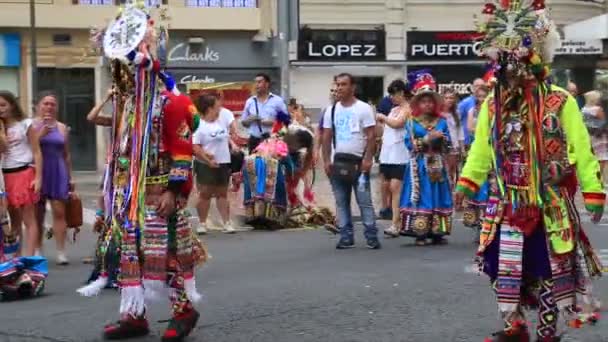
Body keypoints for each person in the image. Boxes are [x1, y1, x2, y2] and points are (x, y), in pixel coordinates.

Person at [455, 2, 604, 340]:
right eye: (505, 66)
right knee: (502, 267)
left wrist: (594, 192)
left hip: (548, 200)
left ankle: (548, 331)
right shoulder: (493, 104)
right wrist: (467, 183)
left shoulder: (560, 101)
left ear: (535, 62)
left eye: (518, 65)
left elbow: (582, 149)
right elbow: (481, 149)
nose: (511, 73)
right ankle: (515, 325)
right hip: (505, 200)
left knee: (550, 268)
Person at [76, 6, 205, 341]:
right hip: (127, 194)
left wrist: (174, 191)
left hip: (160, 191)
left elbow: (182, 152)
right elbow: (121, 151)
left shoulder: (171, 103)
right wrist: (110, 194)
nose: (123, 76)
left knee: (167, 254)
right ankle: (133, 314)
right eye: (119, 69)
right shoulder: (128, 105)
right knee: (129, 252)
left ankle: (184, 310)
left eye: (127, 67)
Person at [321, 73, 380, 250]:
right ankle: (346, 236)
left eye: (343, 84)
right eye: (337, 84)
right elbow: (326, 136)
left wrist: (368, 159)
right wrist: (325, 160)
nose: (339, 88)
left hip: (359, 162)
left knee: (364, 200)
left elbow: (371, 136)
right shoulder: (331, 110)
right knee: (341, 201)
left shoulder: (363, 109)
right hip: (337, 161)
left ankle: (371, 234)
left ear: (352, 87)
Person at [399, 71, 453, 246]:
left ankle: (437, 231)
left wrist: (441, 140)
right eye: (423, 101)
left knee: (438, 194)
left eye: (430, 101)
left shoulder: (442, 122)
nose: (427, 104)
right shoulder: (412, 122)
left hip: (437, 164)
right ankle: (420, 231)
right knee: (421, 194)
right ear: (418, 103)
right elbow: (409, 144)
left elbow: (448, 145)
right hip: (419, 165)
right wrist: (427, 140)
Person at [32, 91, 73, 266]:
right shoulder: (31, 125)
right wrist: (41, 133)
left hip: (58, 170)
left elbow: (66, 154)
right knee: (37, 214)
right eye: (45, 103)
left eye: (52, 104)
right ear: (38, 106)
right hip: (38, 172)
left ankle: (61, 251)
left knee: (59, 212)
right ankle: (38, 249)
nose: (49, 107)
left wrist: (71, 178)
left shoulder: (62, 127)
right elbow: (30, 148)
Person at [0, 91, 42, 258]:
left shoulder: (26, 123)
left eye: (3, 105)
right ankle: (17, 257)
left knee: (29, 220)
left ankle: (30, 258)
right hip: (5, 176)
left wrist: (38, 177)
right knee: (13, 220)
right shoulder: (0, 127)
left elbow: (37, 151)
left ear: (12, 105)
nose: (1, 109)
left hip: (24, 173)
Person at [193, 94, 237, 235]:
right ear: (209, 108)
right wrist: (207, 159)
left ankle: (226, 222)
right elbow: (195, 147)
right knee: (205, 194)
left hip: (223, 162)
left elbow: (228, 137)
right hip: (206, 164)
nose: (220, 108)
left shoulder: (220, 121)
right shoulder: (199, 125)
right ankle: (202, 223)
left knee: (222, 193)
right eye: (217, 106)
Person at [376, 79, 411, 237]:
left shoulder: (407, 108)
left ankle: (397, 223)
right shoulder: (394, 109)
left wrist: (383, 117)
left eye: (394, 94)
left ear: (402, 93)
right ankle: (396, 219)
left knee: (396, 187)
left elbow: (398, 124)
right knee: (389, 186)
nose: (392, 97)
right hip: (388, 152)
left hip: (401, 153)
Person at [462, 85, 490, 241]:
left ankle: (488, 226)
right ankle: (479, 227)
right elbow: (471, 128)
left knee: (489, 192)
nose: (481, 99)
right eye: (478, 96)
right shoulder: (472, 111)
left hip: (491, 153)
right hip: (477, 150)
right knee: (477, 190)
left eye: (484, 96)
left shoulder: (494, 111)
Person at [241, 73, 289, 153]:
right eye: (255, 82)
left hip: (272, 140)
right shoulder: (250, 101)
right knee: (255, 164)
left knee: (271, 165)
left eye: (259, 82)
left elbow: (286, 122)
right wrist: (249, 120)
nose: (256, 85)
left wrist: (272, 123)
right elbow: (244, 123)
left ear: (267, 84)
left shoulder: (277, 101)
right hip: (254, 141)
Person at [582, 90, 608, 182]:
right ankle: (598, 177)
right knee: (602, 158)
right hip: (599, 136)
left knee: (594, 156)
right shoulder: (597, 109)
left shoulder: (584, 109)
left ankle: (593, 176)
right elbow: (603, 121)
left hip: (590, 135)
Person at [442, 89, 464, 186]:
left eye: (451, 98)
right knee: (444, 171)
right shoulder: (438, 114)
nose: (449, 100)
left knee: (453, 171)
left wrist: (462, 148)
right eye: (446, 98)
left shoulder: (456, 113)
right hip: (441, 147)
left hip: (454, 147)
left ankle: (451, 194)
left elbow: (460, 131)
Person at [458, 78, 486, 147]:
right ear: (472, 88)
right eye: (477, 85)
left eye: (482, 86)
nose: (479, 88)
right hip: (467, 143)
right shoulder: (465, 102)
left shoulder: (487, 103)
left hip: (483, 143)